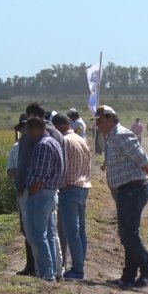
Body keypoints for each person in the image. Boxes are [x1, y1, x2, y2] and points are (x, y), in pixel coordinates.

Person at [93, 105, 148, 289]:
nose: (97, 125)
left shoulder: (122, 135)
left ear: (110, 118)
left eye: (99, 121)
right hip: (125, 191)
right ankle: (129, 276)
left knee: (129, 234)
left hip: (132, 190)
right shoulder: (112, 138)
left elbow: (144, 162)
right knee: (127, 234)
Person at [15, 103, 66, 279]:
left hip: (41, 195)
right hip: (50, 194)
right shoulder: (53, 141)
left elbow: (39, 179)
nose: (27, 134)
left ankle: (46, 273)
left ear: (35, 128)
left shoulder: (43, 145)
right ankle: (53, 271)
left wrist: (32, 194)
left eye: (28, 130)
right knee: (50, 235)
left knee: (39, 235)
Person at [52, 113, 92, 281]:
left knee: (71, 232)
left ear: (59, 126)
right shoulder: (81, 139)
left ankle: (77, 269)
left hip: (69, 188)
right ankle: (79, 265)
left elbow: (61, 168)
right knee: (80, 230)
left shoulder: (65, 142)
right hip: (83, 187)